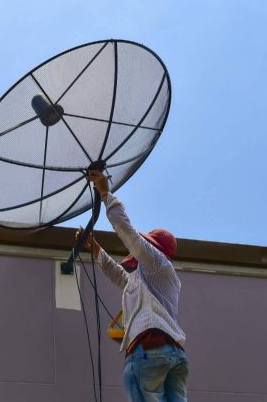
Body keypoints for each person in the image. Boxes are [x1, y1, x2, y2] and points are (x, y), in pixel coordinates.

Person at [76, 170, 189, 402]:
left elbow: (128, 234)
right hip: (174, 355)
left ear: (155, 249)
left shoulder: (158, 263)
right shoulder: (149, 278)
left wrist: (106, 193)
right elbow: (118, 275)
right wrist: (95, 249)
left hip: (148, 352)